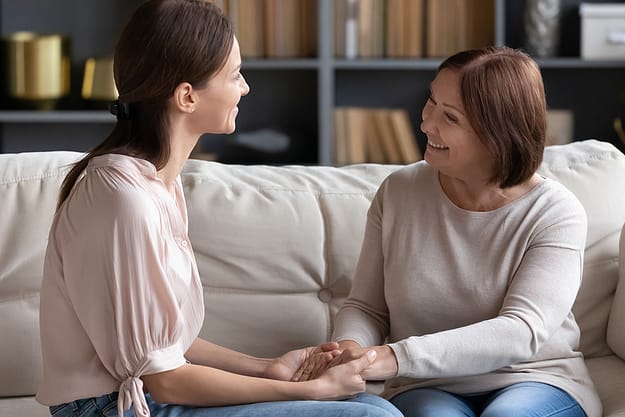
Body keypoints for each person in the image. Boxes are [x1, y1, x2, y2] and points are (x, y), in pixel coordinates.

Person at [35, 1, 404, 417]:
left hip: (139, 394)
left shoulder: (156, 186)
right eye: (234, 75)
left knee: (369, 405)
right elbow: (164, 378)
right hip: (108, 407)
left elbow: (160, 346)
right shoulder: (124, 198)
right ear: (187, 96)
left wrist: (270, 368)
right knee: (374, 415)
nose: (245, 87)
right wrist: (313, 392)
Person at [295, 46, 602, 417]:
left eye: (450, 118)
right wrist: (349, 353)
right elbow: (367, 307)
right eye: (431, 102)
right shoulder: (399, 192)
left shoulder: (554, 211)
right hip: (427, 385)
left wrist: (391, 357)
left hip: (534, 378)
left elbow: (521, 330)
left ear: (497, 134)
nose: (426, 124)